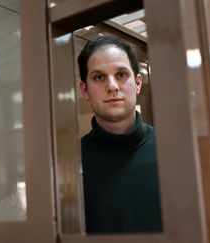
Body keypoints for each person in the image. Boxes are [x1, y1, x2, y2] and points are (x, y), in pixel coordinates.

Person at [78, 36, 162, 233]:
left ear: (138, 83)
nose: (112, 86)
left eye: (121, 74)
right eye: (99, 77)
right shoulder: (69, 163)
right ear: (85, 90)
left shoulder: (173, 148)